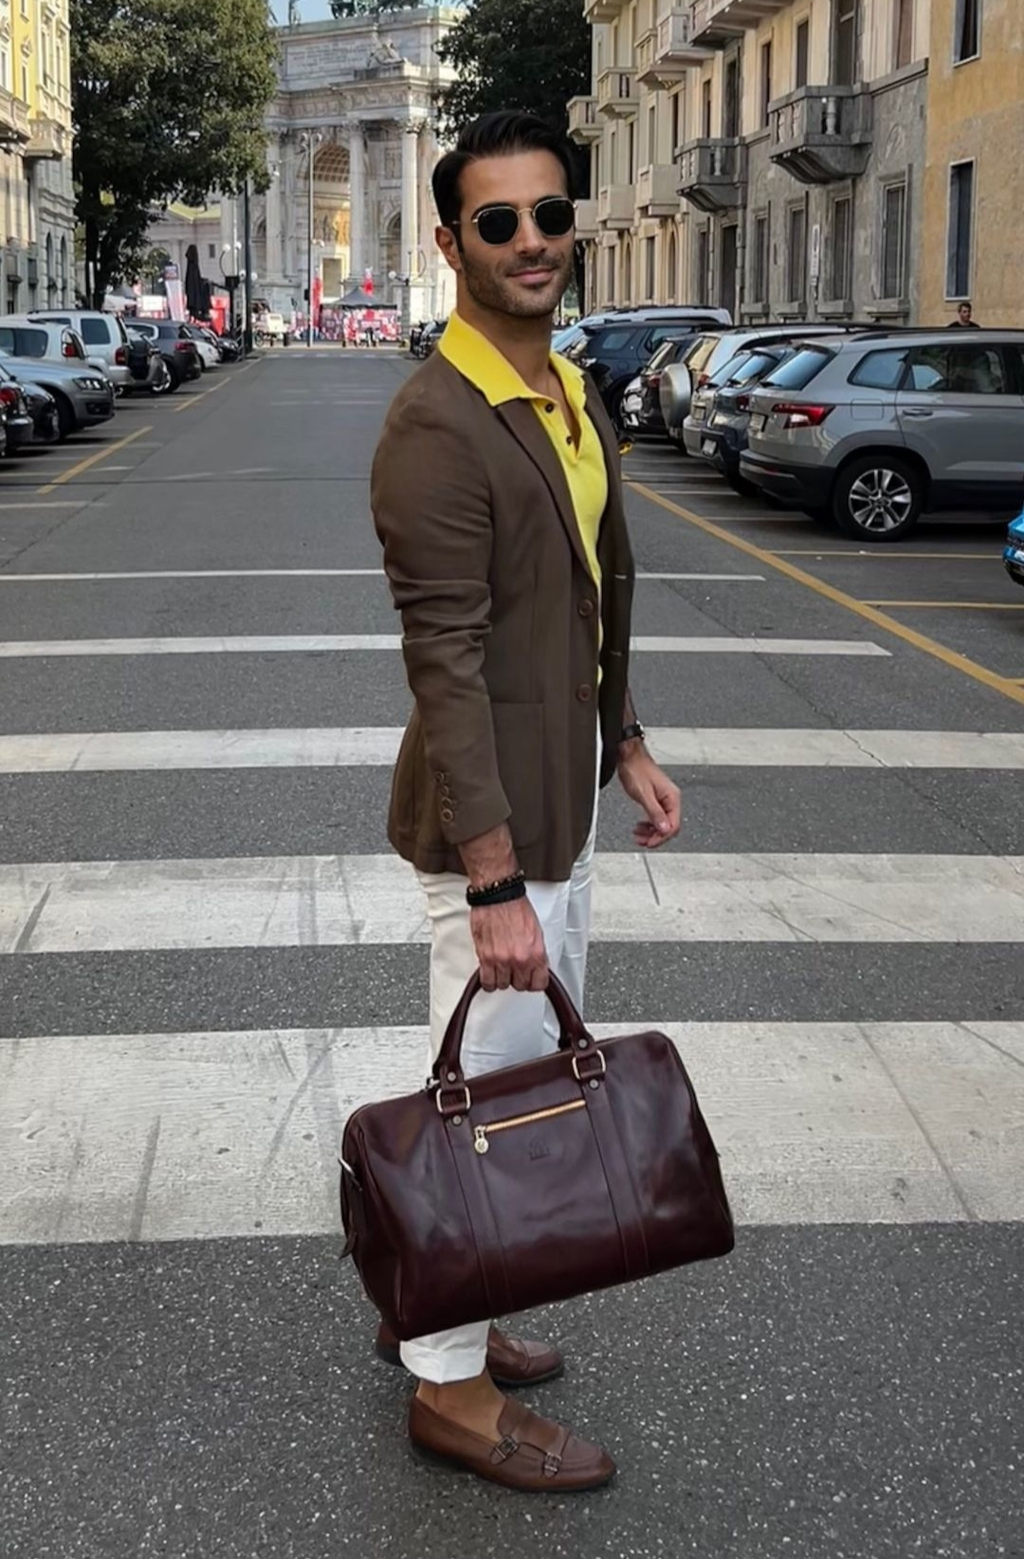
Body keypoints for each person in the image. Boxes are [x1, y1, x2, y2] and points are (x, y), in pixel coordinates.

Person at [371, 110, 682, 1491]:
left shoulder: (564, 389)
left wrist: (627, 739)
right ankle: (448, 1387)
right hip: (494, 826)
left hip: (567, 794)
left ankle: (467, 1303)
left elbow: (584, 595)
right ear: (452, 244)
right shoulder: (436, 425)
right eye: (498, 222)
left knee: (516, 1087)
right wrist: (493, 878)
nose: (533, 241)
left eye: (550, 214)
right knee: (482, 1099)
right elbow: (446, 662)